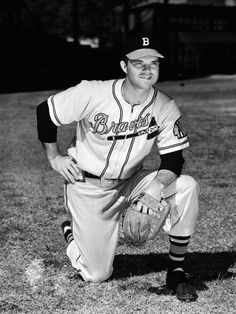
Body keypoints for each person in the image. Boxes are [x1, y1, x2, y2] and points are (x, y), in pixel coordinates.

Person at [36, 35, 199, 302]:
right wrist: (54, 158)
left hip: (132, 182)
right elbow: (46, 112)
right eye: (139, 63)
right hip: (88, 187)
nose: (147, 69)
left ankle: (176, 272)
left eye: (153, 63)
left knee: (186, 186)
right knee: (96, 274)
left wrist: (156, 188)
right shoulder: (93, 92)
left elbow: (174, 159)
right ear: (124, 66)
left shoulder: (165, 105)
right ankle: (72, 232)